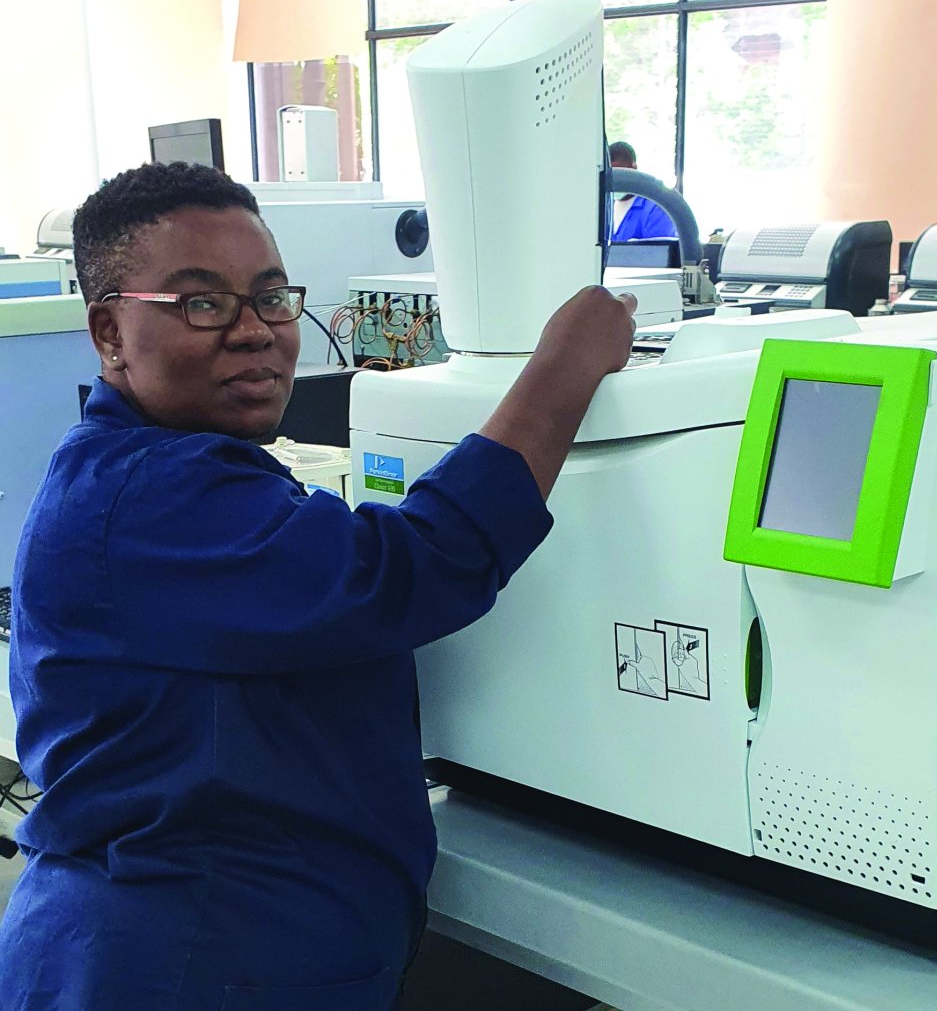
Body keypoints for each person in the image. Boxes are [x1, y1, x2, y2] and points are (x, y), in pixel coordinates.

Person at [0, 162, 637, 1011]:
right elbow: (414, 566)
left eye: (269, 296)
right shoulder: (150, 494)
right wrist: (565, 365)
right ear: (110, 333)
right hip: (184, 966)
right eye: (201, 303)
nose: (254, 329)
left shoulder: (170, 473)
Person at [609, 140, 678, 242]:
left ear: (633, 169)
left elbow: (660, 253)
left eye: (620, 173)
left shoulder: (655, 209)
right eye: (612, 175)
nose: (617, 180)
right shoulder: (604, 207)